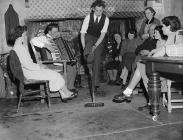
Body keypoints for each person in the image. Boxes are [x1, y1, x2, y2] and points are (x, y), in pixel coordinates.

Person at [113, 16, 182, 108]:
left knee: (143, 68)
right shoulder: (172, 36)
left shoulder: (177, 36)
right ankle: (137, 95)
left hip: (174, 70)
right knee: (141, 67)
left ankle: (145, 99)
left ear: (169, 26)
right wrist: (153, 52)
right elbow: (164, 49)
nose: (161, 28)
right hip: (169, 67)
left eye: (163, 26)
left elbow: (170, 50)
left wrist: (152, 56)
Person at [11, 25, 77, 102]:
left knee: (55, 73)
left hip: (28, 71)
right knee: (55, 74)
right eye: (25, 35)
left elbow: (28, 64)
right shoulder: (20, 48)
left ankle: (64, 94)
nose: (26, 37)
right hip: (29, 73)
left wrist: (39, 66)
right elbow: (28, 65)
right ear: (22, 35)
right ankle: (66, 93)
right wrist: (40, 66)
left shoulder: (18, 47)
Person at [112, 24, 159, 104]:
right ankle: (127, 89)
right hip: (139, 58)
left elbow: (160, 50)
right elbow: (138, 49)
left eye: (154, 30)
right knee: (136, 65)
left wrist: (149, 52)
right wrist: (142, 51)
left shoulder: (158, 40)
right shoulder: (149, 40)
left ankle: (126, 88)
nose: (151, 32)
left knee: (137, 65)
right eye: (150, 30)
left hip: (149, 61)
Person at [31, 23, 78, 94]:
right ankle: (68, 90)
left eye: (57, 31)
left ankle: (69, 87)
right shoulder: (44, 38)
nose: (57, 33)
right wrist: (46, 45)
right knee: (70, 67)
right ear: (49, 32)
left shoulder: (55, 40)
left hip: (58, 62)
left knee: (73, 65)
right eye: (55, 32)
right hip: (50, 63)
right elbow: (32, 40)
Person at [80, 0, 109, 91]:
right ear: (93, 9)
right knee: (87, 51)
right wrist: (85, 48)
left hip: (98, 39)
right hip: (88, 37)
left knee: (97, 60)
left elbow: (102, 35)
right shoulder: (88, 17)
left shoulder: (106, 19)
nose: (98, 13)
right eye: (97, 10)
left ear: (103, 9)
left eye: (100, 10)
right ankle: (88, 62)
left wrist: (95, 46)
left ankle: (95, 84)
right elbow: (82, 34)